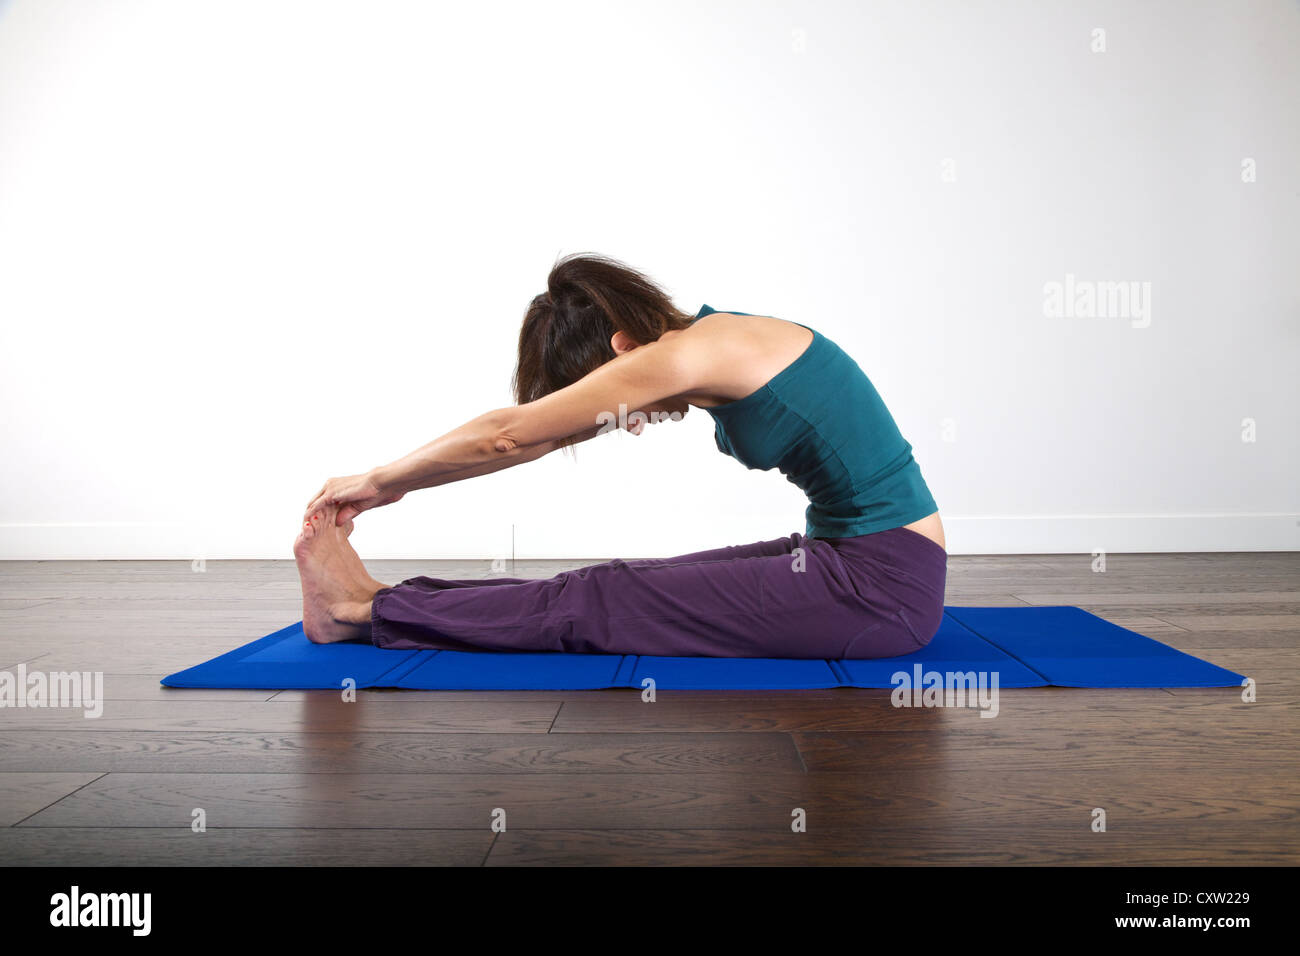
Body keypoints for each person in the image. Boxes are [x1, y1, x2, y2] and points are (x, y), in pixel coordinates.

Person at [296, 253, 946, 659]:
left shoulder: (685, 354)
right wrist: (398, 484)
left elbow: (511, 431)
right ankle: (373, 601)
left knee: (602, 599)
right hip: (862, 561)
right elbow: (539, 436)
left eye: (605, 391)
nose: (627, 423)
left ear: (621, 345)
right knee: (608, 587)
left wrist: (381, 479)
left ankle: (358, 612)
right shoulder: (710, 338)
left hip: (879, 590)